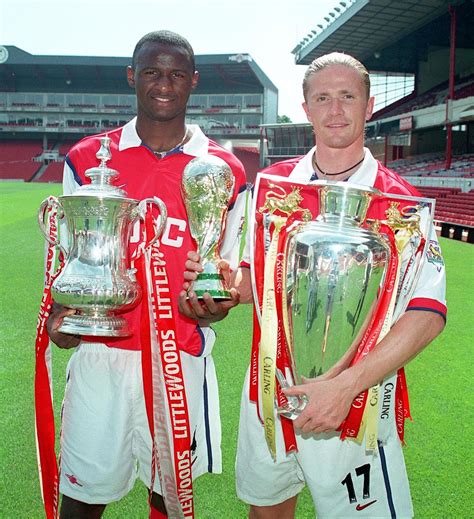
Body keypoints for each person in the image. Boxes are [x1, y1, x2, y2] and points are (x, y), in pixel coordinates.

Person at [179, 52, 446, 518]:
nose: (336, 110)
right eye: (323, 97)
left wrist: (345, 387)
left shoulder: (401, 203)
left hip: (354, 400)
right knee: (266, 510)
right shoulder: (270, 187)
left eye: (348, 96)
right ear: (306, 108)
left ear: (368, 107)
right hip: (267, 390)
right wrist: (224, 283)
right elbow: (249, 277)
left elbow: (427, 312)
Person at [45, 30, 247, 518]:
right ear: (132, 76)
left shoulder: (223, 169)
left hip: (179, 358)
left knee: (170, 499)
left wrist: (214, 304)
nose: (164, 84)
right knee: (81, 498)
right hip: (102, 355)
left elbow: (229, 271)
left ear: (193, 82)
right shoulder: (87, 159)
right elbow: (70, 256)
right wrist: (63, 317)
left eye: (177, 74)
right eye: (152, 72)